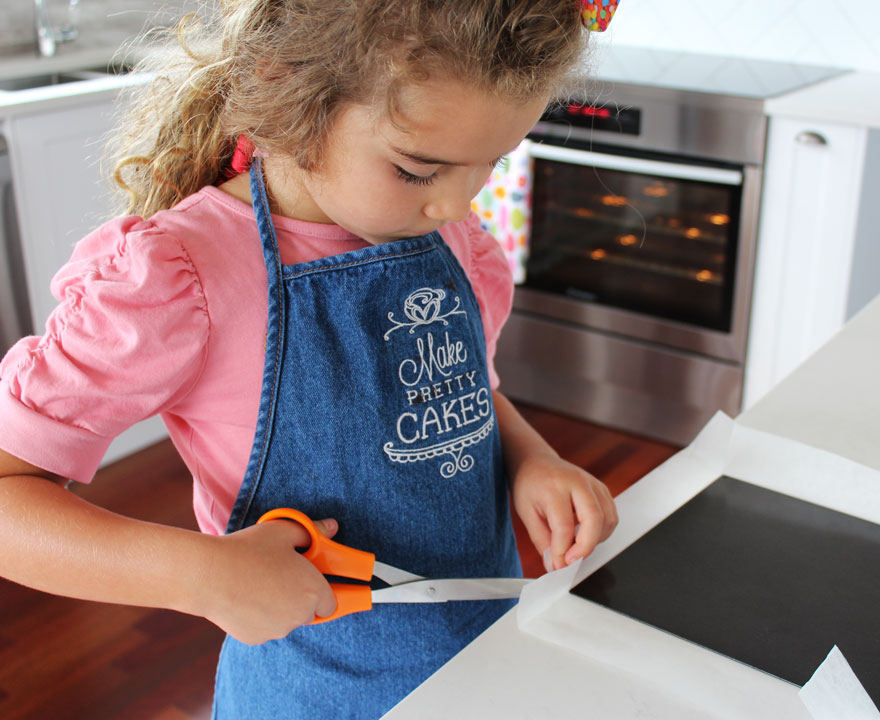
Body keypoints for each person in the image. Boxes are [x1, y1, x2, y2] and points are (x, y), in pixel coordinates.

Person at [0, 1, 619, 717]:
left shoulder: (449, 239)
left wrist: (533, 457)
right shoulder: (184, 275)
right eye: (418, 170)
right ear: (291, 88)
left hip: (484, 663)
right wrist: (199, 577)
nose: (456, 205)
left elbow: (464, 388)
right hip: (315, 695)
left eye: (491, 163)